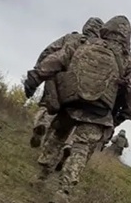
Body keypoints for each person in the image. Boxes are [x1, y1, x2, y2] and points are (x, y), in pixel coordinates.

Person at [23, 15, 131, 203]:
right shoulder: (127, 59)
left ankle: (41, 176)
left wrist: (36, 77)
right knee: (81, 148)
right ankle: (63, 192)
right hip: (100, 111)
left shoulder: (84, 43)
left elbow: (58, 58)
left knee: (56, 137)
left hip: (71, 101)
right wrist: (124, 114)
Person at [29, 17, 104, 150]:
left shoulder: (71, 38)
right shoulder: (98, 48)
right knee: (66, 117)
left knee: (47, 106)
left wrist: (40, 69)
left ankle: (42, 123)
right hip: (77, 87)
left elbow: (49, 51)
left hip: (56, 79)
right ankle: (58, 147)